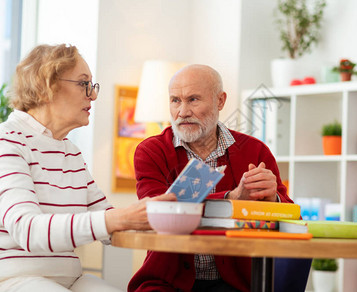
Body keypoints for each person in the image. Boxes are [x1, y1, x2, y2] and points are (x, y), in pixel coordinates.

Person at [0, 44, 176, 292]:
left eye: (92, 86)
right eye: (84, 84)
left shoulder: (69, 151)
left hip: (70, 279)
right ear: (46, 85)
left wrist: (163, 215)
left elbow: (107, 220)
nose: (93, 95)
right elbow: (28, 230)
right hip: (15, 279)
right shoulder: (8, 141)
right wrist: (117, 219)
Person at [128, 64, 310, 292]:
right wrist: (230, 200)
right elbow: (156, 211)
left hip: (238, 283)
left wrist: (272, 198)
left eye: (193, 99)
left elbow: (290, 218)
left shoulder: (256, 151)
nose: (182, 111)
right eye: (175, 100)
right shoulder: (151, 151)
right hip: (168, 281)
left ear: (220, 101)